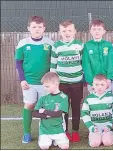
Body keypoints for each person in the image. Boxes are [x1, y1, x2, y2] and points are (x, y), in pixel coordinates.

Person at [16, 15, 54, 143]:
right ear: (29, 28)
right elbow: (19, 63)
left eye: (39, 27)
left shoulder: (50, 43)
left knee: (47, 106)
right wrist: (22, 79)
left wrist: (51, 80)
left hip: (46, 83)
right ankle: (26, 133)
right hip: (29, 82)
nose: (37, 29)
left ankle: (46, 132)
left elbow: (53, 62)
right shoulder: (23, 43)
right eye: (34, 27)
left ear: (44, 28)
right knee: (30, 105)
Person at [50, 20, 84, 142]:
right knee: (63, 108)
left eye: (70, 30)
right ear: (60, 32)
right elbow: (53, 67)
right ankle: (64, 131)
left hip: (76, 83)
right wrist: (54, 83)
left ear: (74, 31)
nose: (67, 33)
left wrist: (83, 79)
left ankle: (75, 131)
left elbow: (83, 63)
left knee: (76, 107)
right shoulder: (56, 46)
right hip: (62, 84)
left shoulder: (80, 45)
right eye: (64, 31)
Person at [32, 72, 69, 149]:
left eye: (47, 86)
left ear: (56, 84)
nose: (45, 89)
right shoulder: (43, 97)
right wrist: (47, 116)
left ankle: (56, 140)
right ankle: (46, 138)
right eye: (44, 86)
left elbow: (58, 114)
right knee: (44, 147)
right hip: (45, 129)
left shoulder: (63, 97)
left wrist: (45, 111)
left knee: (65, 146)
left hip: (58, 129)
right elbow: (34, 113)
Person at [81, 74, 113, 147]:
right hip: (95, 127)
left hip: (107, 126)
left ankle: (109, 135)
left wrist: (110, 126)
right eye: (97, 84)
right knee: (94, 144)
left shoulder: (111, 97)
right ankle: (94, 136)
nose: (99, 87)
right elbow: (84, 114)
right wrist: (91, 127)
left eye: (102, 84)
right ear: (93, 85)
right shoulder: (88, 99)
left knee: (107, 143)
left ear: (106, 86)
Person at [82, 19, 113, 94]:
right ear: (90, 31)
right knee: (94, 101)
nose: (96, 31)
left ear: (104, 31)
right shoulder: (87, 46)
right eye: (94, 29)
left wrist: (109, 78)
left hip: (105, 81)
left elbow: (111, 62)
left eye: (99, 29)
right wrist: (90, 81)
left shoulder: (108, 45)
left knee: (106, 100)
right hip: (93, 82)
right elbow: (86, 64)